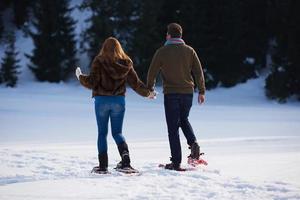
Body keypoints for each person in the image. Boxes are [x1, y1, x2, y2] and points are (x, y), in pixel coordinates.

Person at [75, 37, 155, 173]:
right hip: (118, 101)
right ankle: (126, 163)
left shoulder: (99, 61)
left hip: (101, 101)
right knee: (117, 133)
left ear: (104, 48)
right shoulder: (126, 63)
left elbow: (92, 82)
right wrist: (148, 93)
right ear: (119, 48)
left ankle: (103, 166)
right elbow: (135, 83)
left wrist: (80, 77)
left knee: (102, 133)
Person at [147, 23, 206, 170]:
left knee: (173, 128)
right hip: (188, 93)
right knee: (183, 119)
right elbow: (198, 72)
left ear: (168, 35)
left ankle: (176, 162)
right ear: (180, 35)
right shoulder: (190, 51)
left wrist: (150, 89)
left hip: (171, 93)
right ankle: (194, 145)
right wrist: (202, 91)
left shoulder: (162, 51)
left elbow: (152, 72)